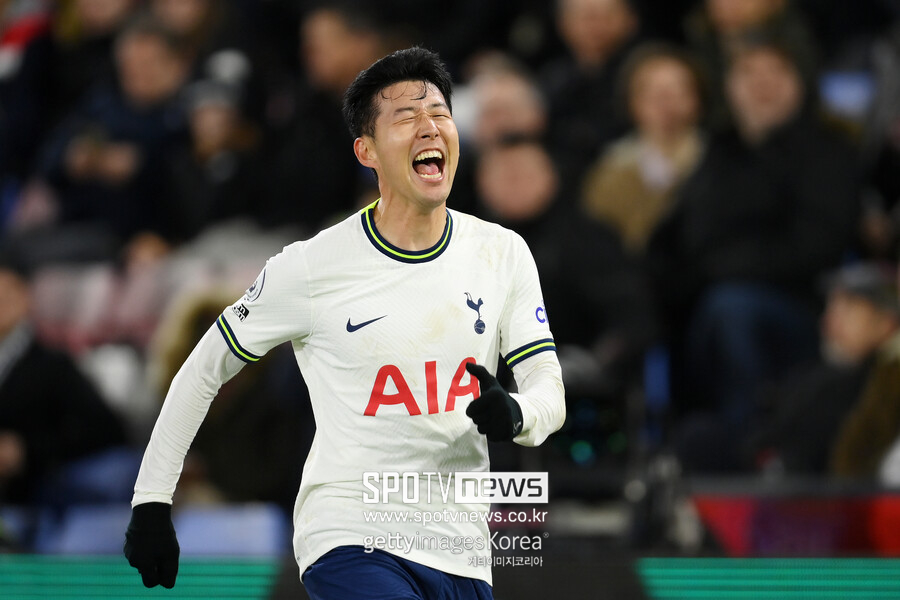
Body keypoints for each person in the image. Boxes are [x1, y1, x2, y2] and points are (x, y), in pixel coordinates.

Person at [123, 47, 565, 598]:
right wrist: (151, 501)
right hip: (352, 533)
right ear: (367, 151)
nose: (430, 128)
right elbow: (202, 369)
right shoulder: (311, 267)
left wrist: (516, 413)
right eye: (406, 117)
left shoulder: (503, 253)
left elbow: (550, 391)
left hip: (462, 547)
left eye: (440, 114)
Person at [581, 43, 706, 254]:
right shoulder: (610, 172)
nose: (666, 104)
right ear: (632, 102)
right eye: (654, 94)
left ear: (696, 99)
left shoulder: (721, 159)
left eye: (677, 91)